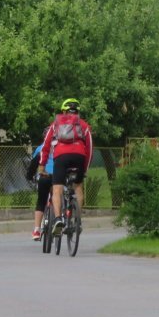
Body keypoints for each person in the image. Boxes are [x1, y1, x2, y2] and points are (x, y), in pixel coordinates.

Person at [39, 98, 93, 233]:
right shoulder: (84, 125)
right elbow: (90, 148)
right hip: (79, 156)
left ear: (63, 111)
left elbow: (45, 146)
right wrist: (85, 169)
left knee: (57, 189)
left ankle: (58, 219)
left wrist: (42, 165)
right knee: (78, 186)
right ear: (77, 111)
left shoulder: (55, 125)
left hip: (61, 157)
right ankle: (77, 221)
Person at [25, 127, 54, 241]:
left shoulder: (40, 148)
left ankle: (37, 230)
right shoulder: (61, 148)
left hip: (44, 177)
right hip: (58, 178)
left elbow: (33, 164)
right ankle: (61, 218)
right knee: (59, 196)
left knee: (41, 201)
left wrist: (29, 177)